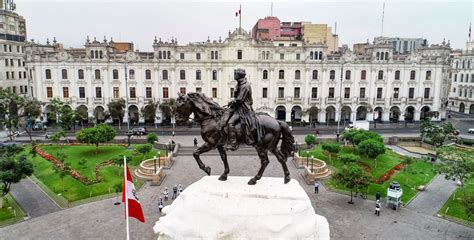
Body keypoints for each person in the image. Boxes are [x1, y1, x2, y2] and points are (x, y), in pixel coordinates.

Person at [218, 68, 260, 151]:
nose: (234, 75)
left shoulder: (245, 86)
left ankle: (233, 143)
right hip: (238, 107)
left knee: (230, 122)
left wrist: (232, 102)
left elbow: (239, 100)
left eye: (236, 74)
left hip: (243, 109)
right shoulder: (240, 84)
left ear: (239, 75)